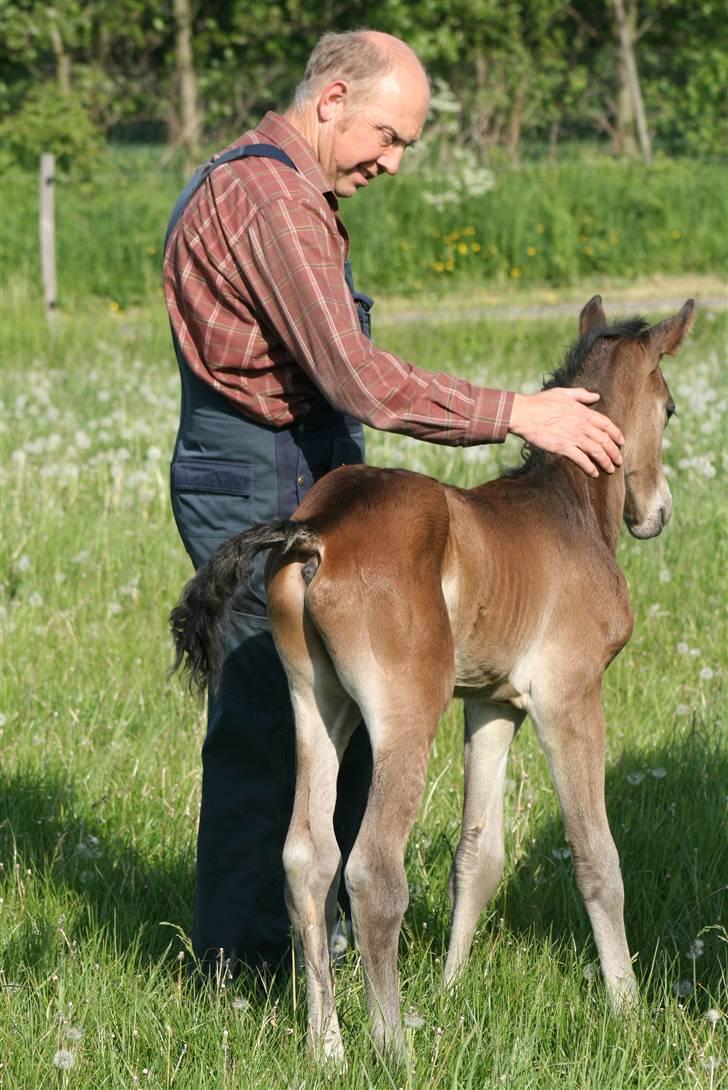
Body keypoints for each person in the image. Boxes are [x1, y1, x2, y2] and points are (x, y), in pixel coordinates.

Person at [163, 28, 624, 977]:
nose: (395, 161)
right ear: (331, 99)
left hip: (302, 462)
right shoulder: (269, 202)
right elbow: (356, 376)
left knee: (370, 706)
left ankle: (321, 937)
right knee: (267, 719)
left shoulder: (287, 191)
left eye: (407, 142)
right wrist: (514, 414)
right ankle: (242, 968)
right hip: (261, 468)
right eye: (388, 133)